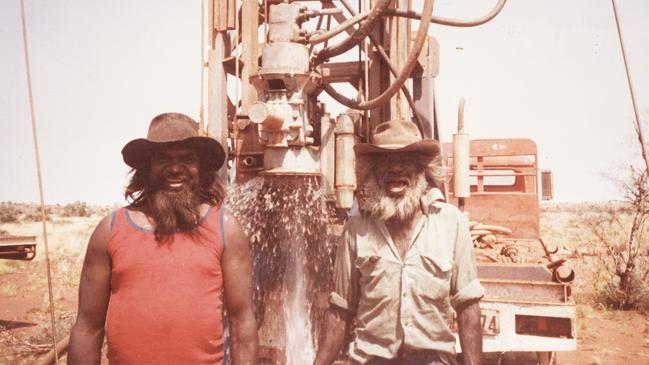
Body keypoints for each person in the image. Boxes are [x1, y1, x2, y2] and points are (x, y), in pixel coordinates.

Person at [67, 113, 258, 365]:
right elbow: (87, 328)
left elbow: (242, 322)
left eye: (187, 159)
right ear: (146, 168)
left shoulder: (225, 228)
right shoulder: (110, 230)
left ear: (200, 168)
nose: (175, 168)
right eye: (163, 159)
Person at [314, 120, 484, 365]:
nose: (395, 168)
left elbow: (468, 308)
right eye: (385, 162)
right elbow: (340, 309)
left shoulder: (451, 223)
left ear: (421, 169)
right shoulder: (356, 229)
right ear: (373, 170)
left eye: (405, 161)